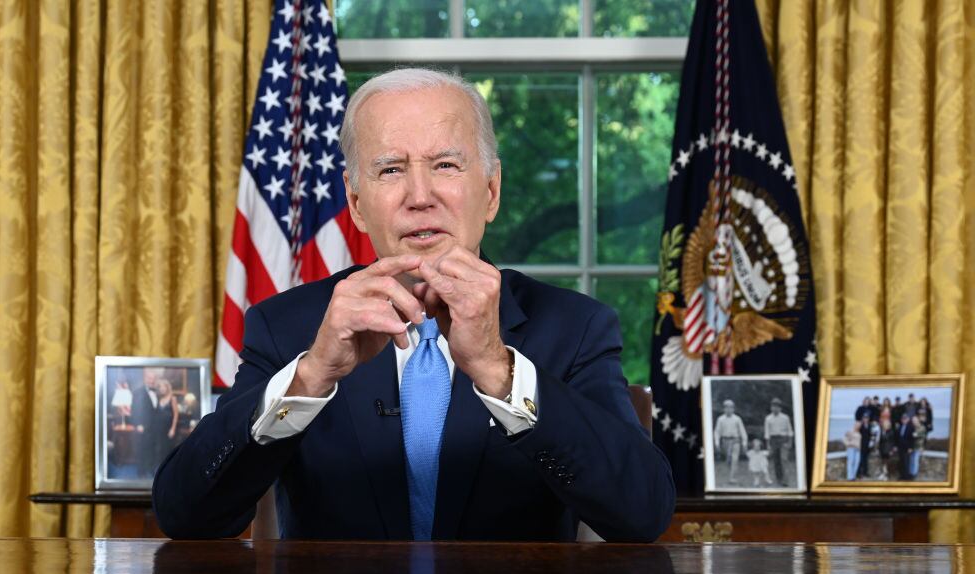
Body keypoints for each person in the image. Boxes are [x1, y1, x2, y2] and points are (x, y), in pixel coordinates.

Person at [152, 68, 675, 542]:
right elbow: (185, 515)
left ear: (490, 191)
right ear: (356, 205)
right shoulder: (287, 327)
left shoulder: (574, 326)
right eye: (390, 170)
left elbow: (642, 513)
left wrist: (498, 369)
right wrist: (309, 378)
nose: (420, 196)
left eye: (445, 165)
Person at [713, 400, 748, 485]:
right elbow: (717, 432)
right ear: (724, 409)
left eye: (730, 407)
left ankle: (732, 478)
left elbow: (742, 431)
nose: (728, 409)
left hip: (735, 440)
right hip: (725, 441)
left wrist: (744, 443)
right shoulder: (720, 419)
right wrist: (717, 443)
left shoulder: (737, 419)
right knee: (728, 460)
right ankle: (730, 474)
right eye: (727, 407)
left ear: (733, 409)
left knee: (735, 459)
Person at [764, 398, 794, 486]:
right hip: (773, 440)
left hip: (783, 439)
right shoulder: (768, 418)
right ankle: (779, 479)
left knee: (783, 459)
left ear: (780, 408)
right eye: (773, 406)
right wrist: (768, 444)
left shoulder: (785, 417)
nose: (775, 408)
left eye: (777, 407)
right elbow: (767, 432)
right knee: (776, 461)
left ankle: (785, 481)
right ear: (771, 408)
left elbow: (790, 431)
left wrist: (790, 442)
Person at [894, 413, 915, 480]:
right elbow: (896, 438)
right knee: (901, 462)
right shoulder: (899, 427)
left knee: (906, 463)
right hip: (900, 448)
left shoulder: (911, 427)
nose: (904, 420)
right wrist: (895, 446)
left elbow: (912, 439)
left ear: (908, 419)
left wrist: (911, 448)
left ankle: (907, 477)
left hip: (907, 448)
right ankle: (902, 476)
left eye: (905, 419)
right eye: (903, 419)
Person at [910, 413, 927, 479]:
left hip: (918, 447)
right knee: (911, 460)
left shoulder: (922, 427)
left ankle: (914, 474)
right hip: (912, 446)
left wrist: (923, 447)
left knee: (915, 461)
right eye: (913, 421)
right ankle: (911, 473)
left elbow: (917, 435)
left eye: (915, 420)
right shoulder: (912, 427)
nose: (914, 422)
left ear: (918, 420)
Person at [857, 413, 873, 478]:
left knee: (866, 460)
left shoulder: (870, 425)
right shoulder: (860, 425)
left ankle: (865, 472)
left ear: (868, 419)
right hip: (861, 445)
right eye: (864, 418)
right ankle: (858, 473)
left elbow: (871, 434)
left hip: (867, 446)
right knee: (860, 460)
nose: (865, 419)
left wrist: (871, 442)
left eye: (867, 418)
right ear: (862, 418)